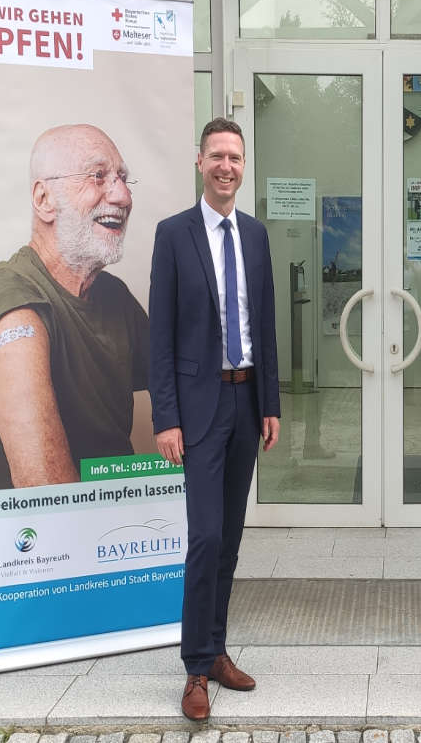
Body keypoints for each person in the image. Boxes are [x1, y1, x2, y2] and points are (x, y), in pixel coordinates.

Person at [149, 117, 281, 721]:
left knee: (228, 538)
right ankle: (195, 669)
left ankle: (217, 648)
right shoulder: (173, 235)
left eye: (236, 157)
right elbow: (161, 337)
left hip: (245, 401)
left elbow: (266, 326)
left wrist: (271, 404)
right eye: (217, 156)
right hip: (198, 409)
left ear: (243, 165)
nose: (227, 166)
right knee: (202, 538)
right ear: (199, 162)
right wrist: (166, 417)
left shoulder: (255, 236)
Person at [0, 124, 150, 490]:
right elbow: (48, 494)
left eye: (123, 178)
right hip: (39, 540)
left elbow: (176, 381)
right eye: (98, 177)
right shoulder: (18, 312)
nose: (123, 196)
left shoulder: (113, 296)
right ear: (44, 200)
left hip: (110, 527)